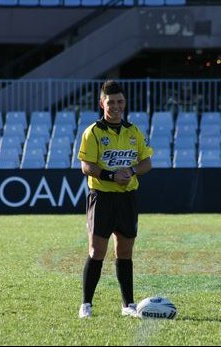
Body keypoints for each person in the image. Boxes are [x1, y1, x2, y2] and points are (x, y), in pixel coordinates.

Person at [77, 80, 153, 318]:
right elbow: (86, 165)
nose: (116, 106)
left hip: (127, 198)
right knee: (96, 251)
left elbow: (146, 163)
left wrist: (129, 172)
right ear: (102, 103)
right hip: (102, 197)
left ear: (125, 102)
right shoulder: (94, 132)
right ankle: (86, 305)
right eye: (111, 102)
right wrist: (111, 175)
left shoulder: (133, 131)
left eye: (120, 101)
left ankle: (128, 304)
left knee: (125, 252)